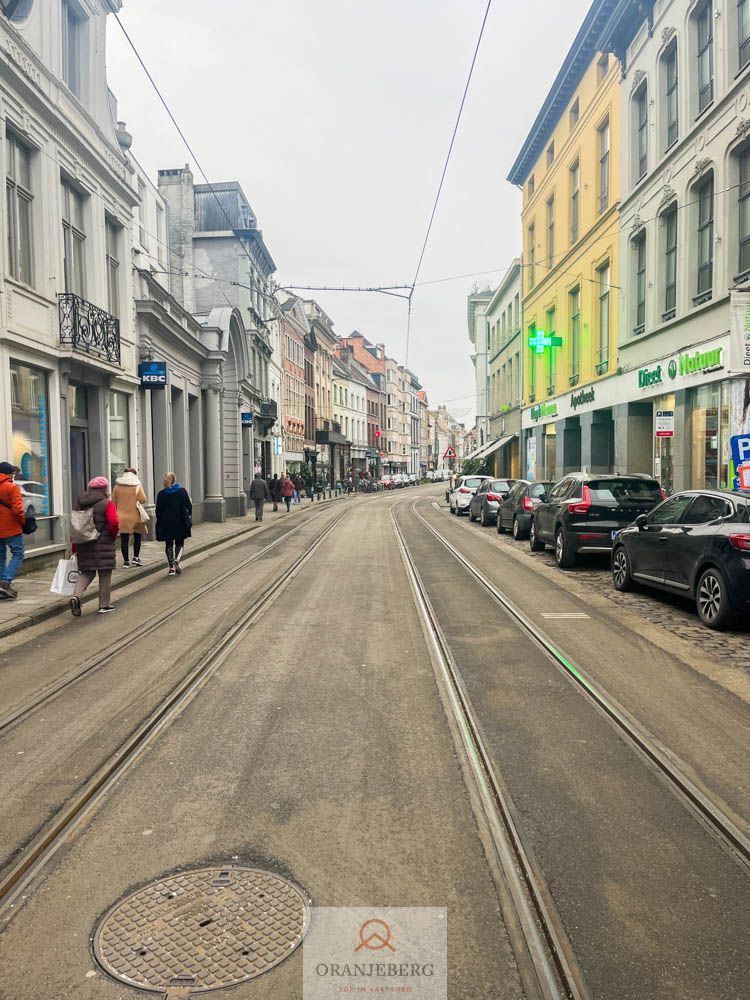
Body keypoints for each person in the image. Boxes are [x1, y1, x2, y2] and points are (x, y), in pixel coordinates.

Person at [70, 476, 118, 616]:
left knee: (87, 572)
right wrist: (112, 536)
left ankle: (76, 596)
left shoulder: (80, 502)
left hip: (83, 543)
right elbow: (114, 522)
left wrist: (74, 546)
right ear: (105, 489)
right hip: (103, 543)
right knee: (105, 573)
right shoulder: (106, 503)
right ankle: (104, 605)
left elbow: (76, 525)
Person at [155, 472, 192, 576]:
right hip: (180, 522)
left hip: (166, 523)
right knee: (179, 542)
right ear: (174, 480)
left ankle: (171, 568)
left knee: (168, 544)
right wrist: (189, 516)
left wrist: (161, 521)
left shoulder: (161, 494)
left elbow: (158, 510)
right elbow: (189, 506)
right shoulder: (182, 491)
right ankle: (177, 559)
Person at [112, 467, 148, 567]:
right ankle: (136, 558)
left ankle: (126, 561)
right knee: (137, 537)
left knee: (124, 539)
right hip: (135, 516)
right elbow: (143, 500)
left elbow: (113, 501)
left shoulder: (117, 487)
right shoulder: (137, 486)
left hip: (121, 516)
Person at [0, 462, 25, 600]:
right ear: (9, 474)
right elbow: (18, 510)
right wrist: (22, 523)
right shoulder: (11, 487)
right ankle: (6, 581)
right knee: (18, 553)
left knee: (0, 556)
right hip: (11, 528)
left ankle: (0, 583)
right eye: (13, 474)